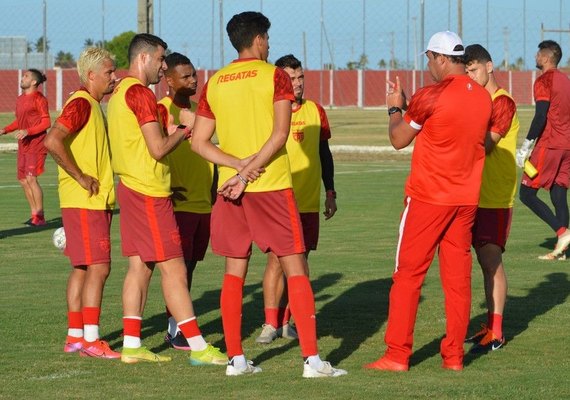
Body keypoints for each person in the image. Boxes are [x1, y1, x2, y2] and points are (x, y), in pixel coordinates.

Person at [191, 11, 347, 378]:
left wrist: (235, 167)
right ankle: (312, 361)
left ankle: (236, 361)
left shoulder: (215, 82)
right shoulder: (273, 75)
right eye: (267, 38)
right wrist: (248, 173)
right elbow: (279, 135)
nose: (269, 44)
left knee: (233, 274)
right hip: (270, 186)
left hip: (230, 190)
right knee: (296, 269)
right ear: (259, 39)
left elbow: (199, 142)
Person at [364, 31, 492, 372]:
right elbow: (447, 126)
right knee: (457, 279)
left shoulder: (430, 94)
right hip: (465, 200)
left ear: (442, 58)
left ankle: (397, 355)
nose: (428, 65)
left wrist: (394, 107)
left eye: (430, 59)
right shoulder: (482, 98)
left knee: (407, 276)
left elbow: (397, 138)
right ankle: (454, 356)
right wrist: (410, 107)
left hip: (428, 199)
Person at [107, 33, 226, 365]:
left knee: (140, 268)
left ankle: (131, 345)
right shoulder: (140, 94)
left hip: (130, 187)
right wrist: (185, 132)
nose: (164, 66)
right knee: (174, 268)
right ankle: (198, 347)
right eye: (161, 59)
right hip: (148, 192)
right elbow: (158, 148)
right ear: (144, 58)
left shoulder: (118, 93)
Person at [44, 47, 120, 359]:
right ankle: (91, 339)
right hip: (86, 200)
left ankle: (75, 336)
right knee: (100, 268)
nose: (114, 78)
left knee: (82, 267)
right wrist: (80, 176)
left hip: (84, 201)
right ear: (91, 76)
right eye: (109, 73)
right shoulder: (82, 103)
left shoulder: (89, 104)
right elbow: (52, 140)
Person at [255, 54, 337, 344]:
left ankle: (288, 321)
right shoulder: (270, 112)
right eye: (291, 78)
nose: (298, 83)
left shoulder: (316, 111)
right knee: (276, 261)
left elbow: (324, 154)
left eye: (300, 77)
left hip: (308, 202)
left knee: (300, 264)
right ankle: (269, 323)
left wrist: (330, 191)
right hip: (278, 200)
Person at [157, 52, 217, 350]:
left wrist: (213, 190)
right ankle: (175, 329)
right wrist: (166, 190)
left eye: (194, 74)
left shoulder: (198, 111)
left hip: (202, 203)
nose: (194, 80)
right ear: (168, 80)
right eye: (186, 76)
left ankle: (179, 326)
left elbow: (209, 154)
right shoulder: (161, 110)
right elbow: (152, 154)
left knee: (190, 267)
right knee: (177, 272)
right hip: (178, 205)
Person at [463, 44, 520, 353]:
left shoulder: (503, 102)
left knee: (491, 261)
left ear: (489, 66)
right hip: (473, 193)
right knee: (483, 263)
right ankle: (489, 326)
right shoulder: (479, 101)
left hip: (495, 197)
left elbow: (485, 144)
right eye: (467, 70)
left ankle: (497, 332)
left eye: (473, 69)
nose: (470, 75)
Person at [516, 40, 570, 260]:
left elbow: (540, 116)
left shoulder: (544, 80)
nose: (536, 56)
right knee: (558, 195)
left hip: (550, 145)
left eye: (539, 53)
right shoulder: (566, 81)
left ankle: (562, 233)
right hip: (567, 146)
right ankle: (563, 251)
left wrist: (526, 147)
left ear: (547, 57)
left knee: (527, 194)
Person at [0, 69, 50, 226]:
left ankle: (40, 216)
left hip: (36, 144)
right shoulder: (21, 99)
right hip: (23, 145)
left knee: (31, 178)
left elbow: (46, 122)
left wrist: (28, 131)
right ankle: (34, 214)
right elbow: (20, 121)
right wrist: (5, 129)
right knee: (22, 180)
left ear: (34, 82)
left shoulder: (39, 99)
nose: (23, 78)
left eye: (26, 76)